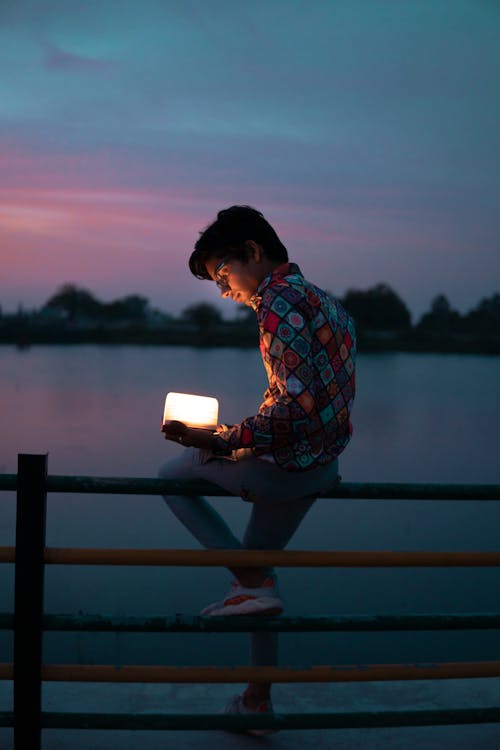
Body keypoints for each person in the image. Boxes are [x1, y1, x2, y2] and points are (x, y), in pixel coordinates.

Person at [159, 205, 356, 734]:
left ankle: (248, 580)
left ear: (252, 253)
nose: (225, 292)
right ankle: (257, 701)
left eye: (224, 275)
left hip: (285, 467)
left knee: (169, 476)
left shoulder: (277, 301)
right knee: (261, 588)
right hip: (322, 467)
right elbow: (314, 402)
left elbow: (294, 408)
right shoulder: (328, 304)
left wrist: (223, 439)